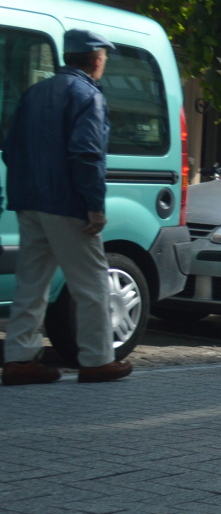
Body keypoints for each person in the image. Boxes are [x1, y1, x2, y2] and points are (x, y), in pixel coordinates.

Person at [1, 29, 132, 385]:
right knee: (90, 283)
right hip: (67, 203)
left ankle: (19, 359)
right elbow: (86, 154)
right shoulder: (88, 94)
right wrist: (94, 206)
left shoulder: (35, 93)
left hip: (29, 201)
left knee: (31, 283)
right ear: (96, 59)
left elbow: (10, 149)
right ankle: (97, 359)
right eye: (104, 56)